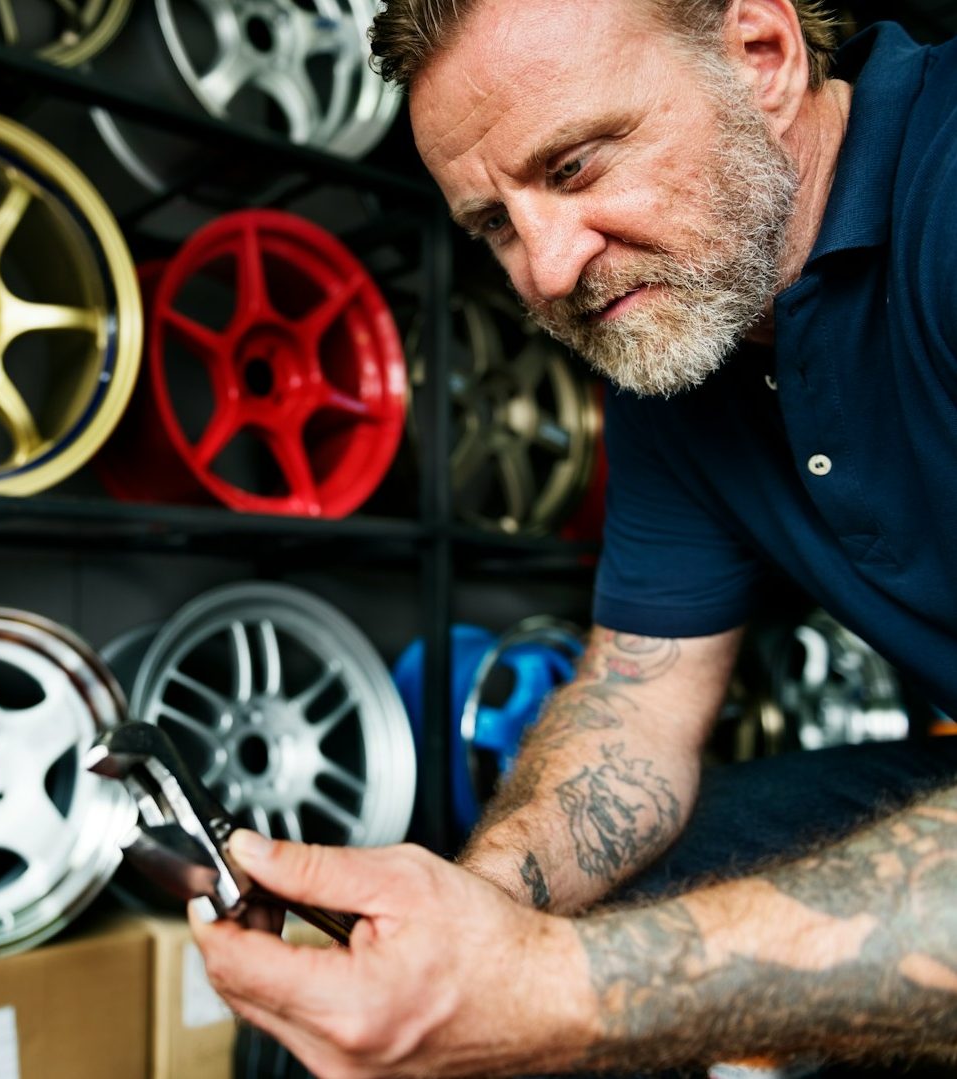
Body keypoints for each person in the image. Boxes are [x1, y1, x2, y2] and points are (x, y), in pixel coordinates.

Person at [187, 1, 957, 1076]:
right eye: (495, 226)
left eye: (575, 166)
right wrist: (474, 907)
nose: (546, 271)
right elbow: (635, 706)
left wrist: (554, 987)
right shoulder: (683, 341)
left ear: (760, 56)